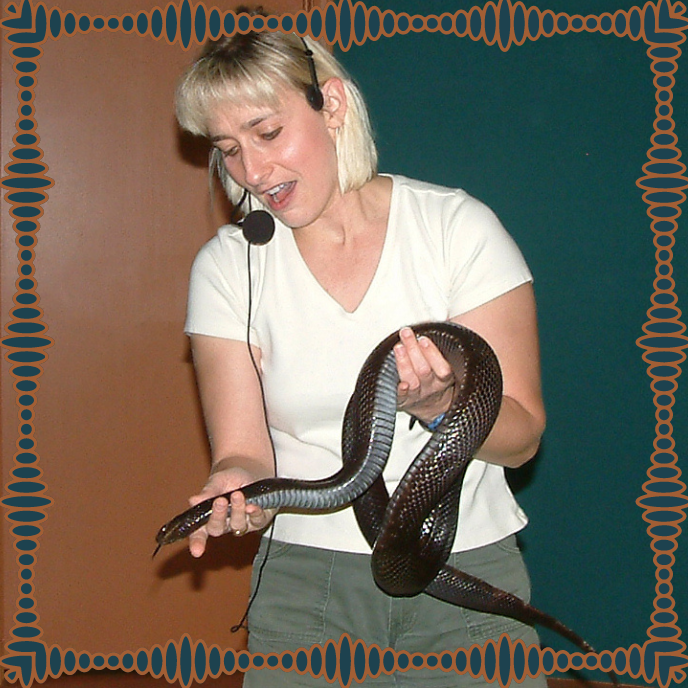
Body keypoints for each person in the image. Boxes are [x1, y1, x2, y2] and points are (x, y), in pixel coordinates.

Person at [175, 23, 546, 688]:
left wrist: (443, 407)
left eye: (267, 132)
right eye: (227, 149)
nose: (252, 172)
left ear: (333, 106)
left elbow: (521, 442)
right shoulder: (228, 269)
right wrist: (235, 487)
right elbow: (244, 454)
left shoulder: (455, 229)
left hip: (466, 573)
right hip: (306, 591)